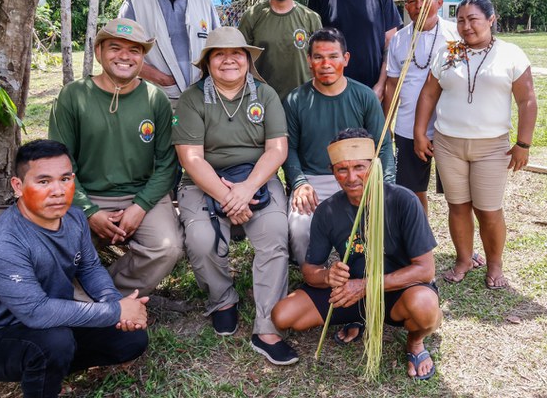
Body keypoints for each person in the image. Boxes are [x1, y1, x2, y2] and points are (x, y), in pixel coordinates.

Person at [0, 140, 149, 398]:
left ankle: (49, 366)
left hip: (54, 323)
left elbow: (90, 268)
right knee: (54, 343)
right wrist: (114, 311)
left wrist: (115, 304)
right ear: (18, 186)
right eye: (43, 181)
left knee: (131, 340)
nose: (58, 191)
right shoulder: (2, 243)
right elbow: (36, 312)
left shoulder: (75, 217)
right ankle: (44, 376)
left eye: (65, 179)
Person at [272, 129, 442, 380]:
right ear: (332, 172)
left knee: (425, 307)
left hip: (398, 291)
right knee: (283, 315)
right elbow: (310, 271)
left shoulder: (403, 200)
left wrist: (365, 286)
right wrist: (327, 276)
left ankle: (415, 343)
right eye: (342, 169)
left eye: (359, 167)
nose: (351, 178)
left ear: (374, 166)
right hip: (351, 292)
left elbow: (425, 270)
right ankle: (362, 318)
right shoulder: (328, 211)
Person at [172, 27, 296, 365]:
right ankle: (222, 298)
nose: (229, 60)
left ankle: (268, 326)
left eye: (236, 53)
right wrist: (229, 197)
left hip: (256, 178)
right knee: (201, 238)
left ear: (248, 60)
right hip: (202, 181)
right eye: (219, 54)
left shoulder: (265, 95)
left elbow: (277, 149)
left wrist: (246, 189)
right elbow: (190, 158)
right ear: (207, 62)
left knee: (275, 233)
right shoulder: (192, 98)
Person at [48, 18, 182, 297]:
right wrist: (89, 211)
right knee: (59, 250)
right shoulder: (73, 96)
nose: (125, 56)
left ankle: (109, 297)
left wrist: (140, 206)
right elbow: (60, 164)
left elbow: (167, 164)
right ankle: (81, 300)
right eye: (115, 48)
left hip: (141, 195)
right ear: (99, 52)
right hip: (85, 194)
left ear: (142, 57)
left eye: (134, 50)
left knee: (167, 247)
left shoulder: (155, 99)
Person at [414, 0, 537, 288]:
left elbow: (527, 100)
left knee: (488, 210)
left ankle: (495, 265)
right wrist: (420, 132)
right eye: (460, 20)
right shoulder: (447, 53)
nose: (466, 26)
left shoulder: (510, 54)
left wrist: (523, 144)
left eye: (473, 19)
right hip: (448, 144)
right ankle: (464, 259)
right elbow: (429, 94)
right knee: (457, 206)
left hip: (491, 147)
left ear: (491, 19)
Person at [283, 27, 395, 266]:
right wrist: (299, 182)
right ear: (309, 60)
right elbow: (288, 148)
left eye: (333, 56)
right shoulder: (295, 100)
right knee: (300, 227)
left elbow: (383, 145)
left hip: (360, 176)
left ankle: (368, 272)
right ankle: (314, 276)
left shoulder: (364, 96)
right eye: (318, 57)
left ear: (346, 58)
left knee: (382, 224)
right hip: (314, 179)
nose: (326, 64)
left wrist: (385, 185)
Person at [384, 0, 459, 216]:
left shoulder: (457, 36)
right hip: (407, 128)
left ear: (439, 2)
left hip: (449, 127)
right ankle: (419, 236)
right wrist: (386, 124)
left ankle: (462, 241)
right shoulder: (398, 39)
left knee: (457, 196)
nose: (419, 6)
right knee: (412, 193)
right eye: (412, 1)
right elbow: (392, 85)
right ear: (406, 6)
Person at [239, 0, 322, 100]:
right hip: (262, 104)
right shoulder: (251, 17)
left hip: (303, 104)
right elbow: (239, 63)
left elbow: (320, 65)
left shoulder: (311, 19)